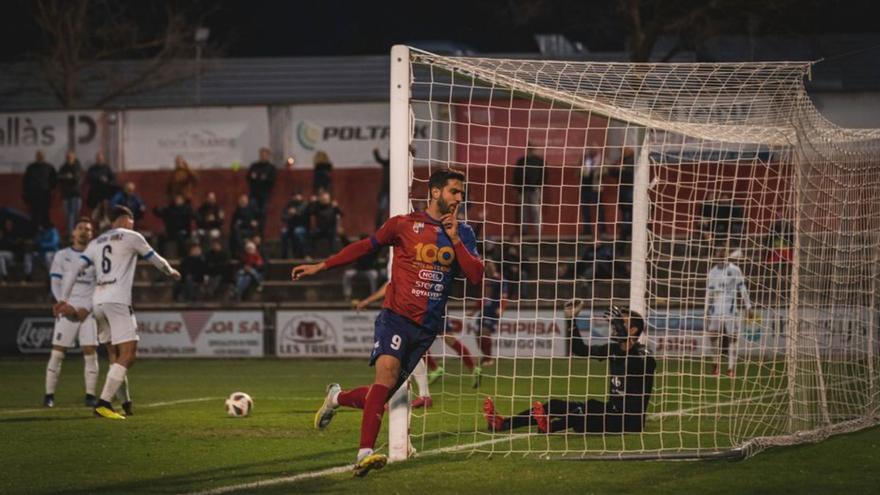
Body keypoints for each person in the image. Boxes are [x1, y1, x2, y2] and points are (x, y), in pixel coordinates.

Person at [297, 168, 483, 476]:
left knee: (380, 393)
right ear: (435, 192)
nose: (459, 198)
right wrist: (322, 266)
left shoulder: (463, 233)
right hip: (395, 317)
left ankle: (336, 397)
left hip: (427, 327)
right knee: (385, 378)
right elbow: (364, 246)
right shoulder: (404, 225)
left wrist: (454, 239)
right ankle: (363, 455)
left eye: (462, 193)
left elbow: (476, 277)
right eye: (454, 191)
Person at [53, 206, 180, 420]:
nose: (133, 224)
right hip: (118, 301)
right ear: (126, 219)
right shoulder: (132, 236)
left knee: (115, 355)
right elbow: (155, 258)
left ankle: (126, 403)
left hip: (98, 302)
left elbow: (74, 269)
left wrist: (63, 299)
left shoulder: (96, 242)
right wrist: (171, 272)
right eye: (132, 220)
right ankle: (103, 403)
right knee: (129, 354)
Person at [483, 302, 655, 435]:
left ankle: (551, 427)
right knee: (556, 405)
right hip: (609, 413)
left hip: (629, 422)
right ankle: (503, 424)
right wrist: (571, 319)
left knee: (591, 407)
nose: (614, 327)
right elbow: (580, 349)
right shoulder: (614, 349)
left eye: (620, 323)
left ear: (633, 330)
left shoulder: (643, 353)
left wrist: (626, 340)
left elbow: (639, 363)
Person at [352, 281, 433, 409]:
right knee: (406, 355)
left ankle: (394, 398)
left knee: (391, 363)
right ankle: (423, 395)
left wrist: (367, 300)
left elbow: (391, 283)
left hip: (399, 314)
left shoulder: (400, 261)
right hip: (418, 309)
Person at [44, 218, 99, 408]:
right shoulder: (62, 255)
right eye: (81, 228)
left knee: (90, 352)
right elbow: (55, 282)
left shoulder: (97, 257)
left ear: (92, 235)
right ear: (73, 233)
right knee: (58, 353)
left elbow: (100, 286)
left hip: (88, 311)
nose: (84, 231)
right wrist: (63, 303)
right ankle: (49, 396)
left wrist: (88, 307)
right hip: (67, 309)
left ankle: (90, 395)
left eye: (88, 229)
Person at [704, 249, 753, 377]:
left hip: (731, 311)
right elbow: (709, 293)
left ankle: (731, 368)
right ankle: (716, 363)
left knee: (733, 338)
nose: (720, 255)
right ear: (716, 255)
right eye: (718, 253)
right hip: (715, 310)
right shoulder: (713, 272)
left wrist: (748, 306)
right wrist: (706, 311)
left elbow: (742, 288)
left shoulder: (735, 270)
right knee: (713, 337)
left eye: (723, 253)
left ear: (726, 255)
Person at [512, 144, 546, 235]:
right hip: (523, 189)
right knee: (524, 210)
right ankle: (524, 230)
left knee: (535, 209)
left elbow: (544, 174)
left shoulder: (539, 161)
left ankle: (538, 230)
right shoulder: (521, 161)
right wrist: (518, 188)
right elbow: (516, 175)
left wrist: (539, 185)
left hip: (534, 189)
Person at [23, 150, 57, 229]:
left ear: (44, 157)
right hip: (33, 196)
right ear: (36, 157)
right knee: (34, 215)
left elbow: (54, 180)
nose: (39, 157)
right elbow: (26, 181)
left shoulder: (49, 167)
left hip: (45, 195)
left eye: (41, 155)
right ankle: (34, 233)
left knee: (45, 214)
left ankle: (45, 233)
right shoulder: (31, 167)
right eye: (38, 155)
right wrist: (26, 193)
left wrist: (51, 190)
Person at [342, 234, 381, 300]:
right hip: (357, 270)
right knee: (347, 275)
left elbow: (380, 244)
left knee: (374, 275)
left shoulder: (373, 249)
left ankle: (373, 296)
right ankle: (347, 295)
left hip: (368, 270)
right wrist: (342, 235)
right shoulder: (357, 248)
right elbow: (347, 244)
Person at [246, 147, 277, 230]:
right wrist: (254, 177)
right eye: (261, 154)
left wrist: (264, 179)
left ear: (268, 156)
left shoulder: (271, 168)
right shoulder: (254, 166)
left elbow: (272, 181)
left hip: (264, 195)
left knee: (262, 215)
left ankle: (260, 234)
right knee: (253, 213)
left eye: (265, 155)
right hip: (254, 194)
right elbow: (248, 177)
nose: (263, 156)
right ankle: (253, 232)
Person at [57, 150, 84, 236]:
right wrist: (69, 178)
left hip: (75, 195)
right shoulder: (63, 167)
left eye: (70, 157)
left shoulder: (78, 167)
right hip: (65, 195)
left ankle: (73, 234)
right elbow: (59, 179)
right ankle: (70, 234)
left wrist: (68, 178)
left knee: (74, 215)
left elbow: (77, 180)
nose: (69, 159)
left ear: (74, 158)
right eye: (67, 157)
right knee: (67, 215)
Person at [308, 190, 342, 256]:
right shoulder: (317, 206)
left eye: (326, 199)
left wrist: (336, 207)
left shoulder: (333, 206)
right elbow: (310, 212)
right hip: (320, 229)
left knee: (333, 234)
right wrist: (312, 203)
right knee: (311, 235)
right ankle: (310, 254)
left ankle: (333, 254)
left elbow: (340, 214)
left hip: (330, 229)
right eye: (323, 199)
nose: (325, 200)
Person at [280, 192, 311, 259]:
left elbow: (304, 217)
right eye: (294, 196)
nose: (296, 197)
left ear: (301, 196)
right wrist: (290, 214)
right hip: (291, 227)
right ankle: (284, 255)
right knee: (283, 232)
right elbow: (283, 217)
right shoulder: (290, 205)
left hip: (303, 227)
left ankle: (302, 254)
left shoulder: (305, 204)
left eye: (297, 195)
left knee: (297, 232)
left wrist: (295, 213)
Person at [373, 147, 390, 228]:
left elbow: (379, 159)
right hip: (386, 191)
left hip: (389, 191)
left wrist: (375, 152)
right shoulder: (387, 163)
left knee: (383, 210)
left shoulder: (399, 165)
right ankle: (379, 227)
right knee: (382, 210)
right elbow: (379, 159)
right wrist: (375, 152)